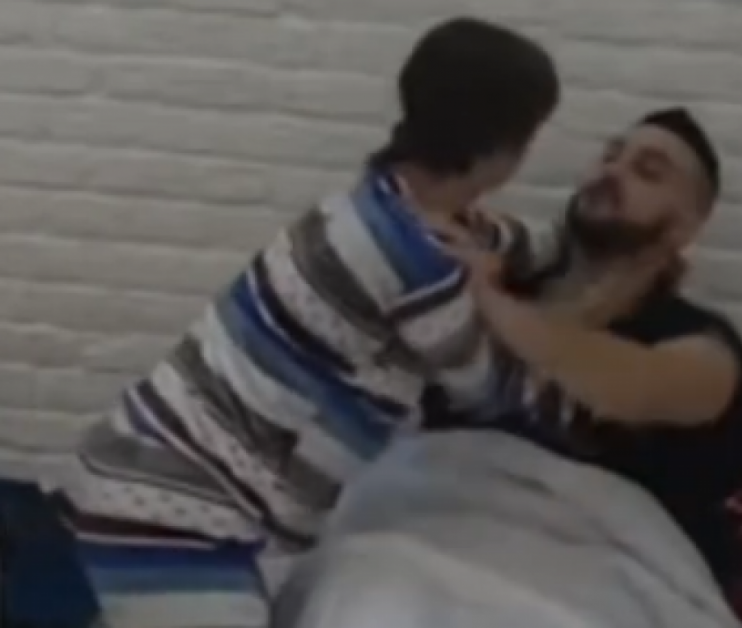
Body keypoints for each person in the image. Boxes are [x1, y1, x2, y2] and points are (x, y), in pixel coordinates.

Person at [55, 17, 561, 624]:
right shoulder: (419, 266)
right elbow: (493, 390)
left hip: (152, 460)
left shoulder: (372, 203)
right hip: (180, 509)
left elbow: (505, 239)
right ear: (500, 150)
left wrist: (553, 246)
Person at [442, 108, 742, 623]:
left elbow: (630, 386)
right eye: (610, 155)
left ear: (684, 227)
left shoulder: (705, 347)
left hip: (586, 581)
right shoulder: (504, 283)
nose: (613, 171)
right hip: (433, 533)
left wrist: (487, 300)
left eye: (647, 171)